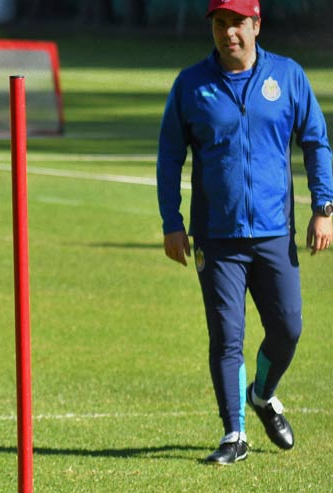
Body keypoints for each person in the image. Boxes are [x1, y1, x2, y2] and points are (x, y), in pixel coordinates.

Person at [157, 0, 332, 465]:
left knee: (288, 328)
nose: (228, 32)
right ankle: (234, 434)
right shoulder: (190, 84)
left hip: (274, 232)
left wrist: (323, 207)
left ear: (256, 24)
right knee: (226, 336)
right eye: (220, 23)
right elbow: (169, 156)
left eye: (237, 23)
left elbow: (316, 142)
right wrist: (172, 222)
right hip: (216, 237)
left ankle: (262, 393)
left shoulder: (288, 76)